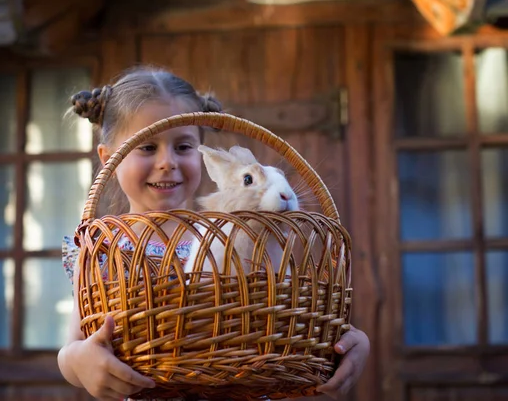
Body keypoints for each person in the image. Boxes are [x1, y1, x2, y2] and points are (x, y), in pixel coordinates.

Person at [57, 65, 370, 401]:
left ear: (204, 154)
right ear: (109, 159)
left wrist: (353, 340)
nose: (167, 162)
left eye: (183, 147)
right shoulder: (103, 249)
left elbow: (284, 303)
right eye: (147, 148)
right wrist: (80, 361)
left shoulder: (230, 235)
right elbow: (72, 346)